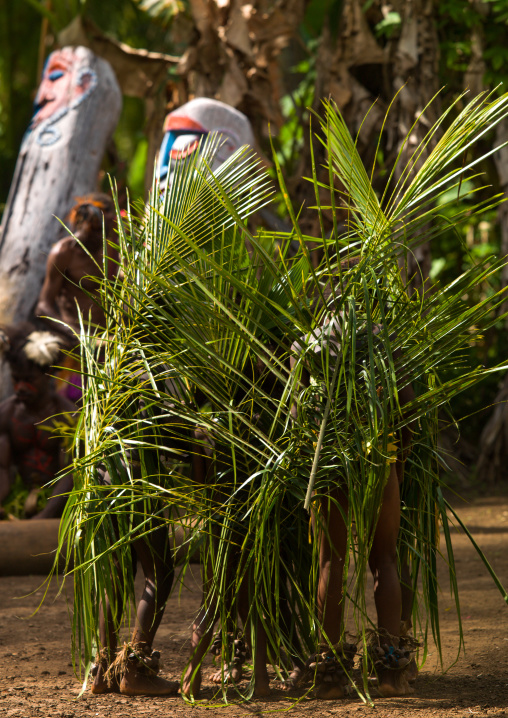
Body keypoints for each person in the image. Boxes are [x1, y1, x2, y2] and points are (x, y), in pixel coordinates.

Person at [0, 323, 74, 520]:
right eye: (16, 379)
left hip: (62, 505)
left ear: (48, 374)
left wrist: (44, 517)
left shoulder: (67, 416)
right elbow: (2, 470)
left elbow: (70, 475)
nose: (20, 387)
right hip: (20, 499)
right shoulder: (7, 414)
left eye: (29, 380)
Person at [36, 192, 118, 345]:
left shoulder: (110, 247)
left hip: (110, 341)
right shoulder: (63, 253)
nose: (104, 236)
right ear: (87, 225)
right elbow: (43, 307)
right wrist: (81, 337)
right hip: (77, 344)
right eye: (99, 230)